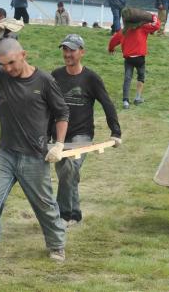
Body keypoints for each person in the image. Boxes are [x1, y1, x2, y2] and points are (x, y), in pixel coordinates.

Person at [0, 29, 69, 270]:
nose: (8, 69)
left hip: (34, 156)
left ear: (23, 55)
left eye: (11, 63)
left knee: (45, 205)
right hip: (5, 154)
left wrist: (59, 145)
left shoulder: (44, 81)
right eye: (3, 64)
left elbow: (62, 113)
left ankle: (56, 244)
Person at [49, 34, 122, 226]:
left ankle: (63, 215)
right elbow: (45, 106)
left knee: (68, 170)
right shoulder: (55, 76)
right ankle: (75, 214)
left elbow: (107, 104)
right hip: (58, 137)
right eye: (65, 49)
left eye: (72, 50)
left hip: (82, 136)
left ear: (82, 52)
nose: (67, 54)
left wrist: (116, 132)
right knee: (68, 173)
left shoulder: (91, 78)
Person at [108, 9, 160, 109]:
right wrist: (153, 16)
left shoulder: (123, 31)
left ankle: (125, 101)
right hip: (140, 58)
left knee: (127, 78)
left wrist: (111, 49)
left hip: (128, 59)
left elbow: (113, 40)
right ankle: (137, 98)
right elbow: (156, 25)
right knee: (141, 77)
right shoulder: (144, 28)